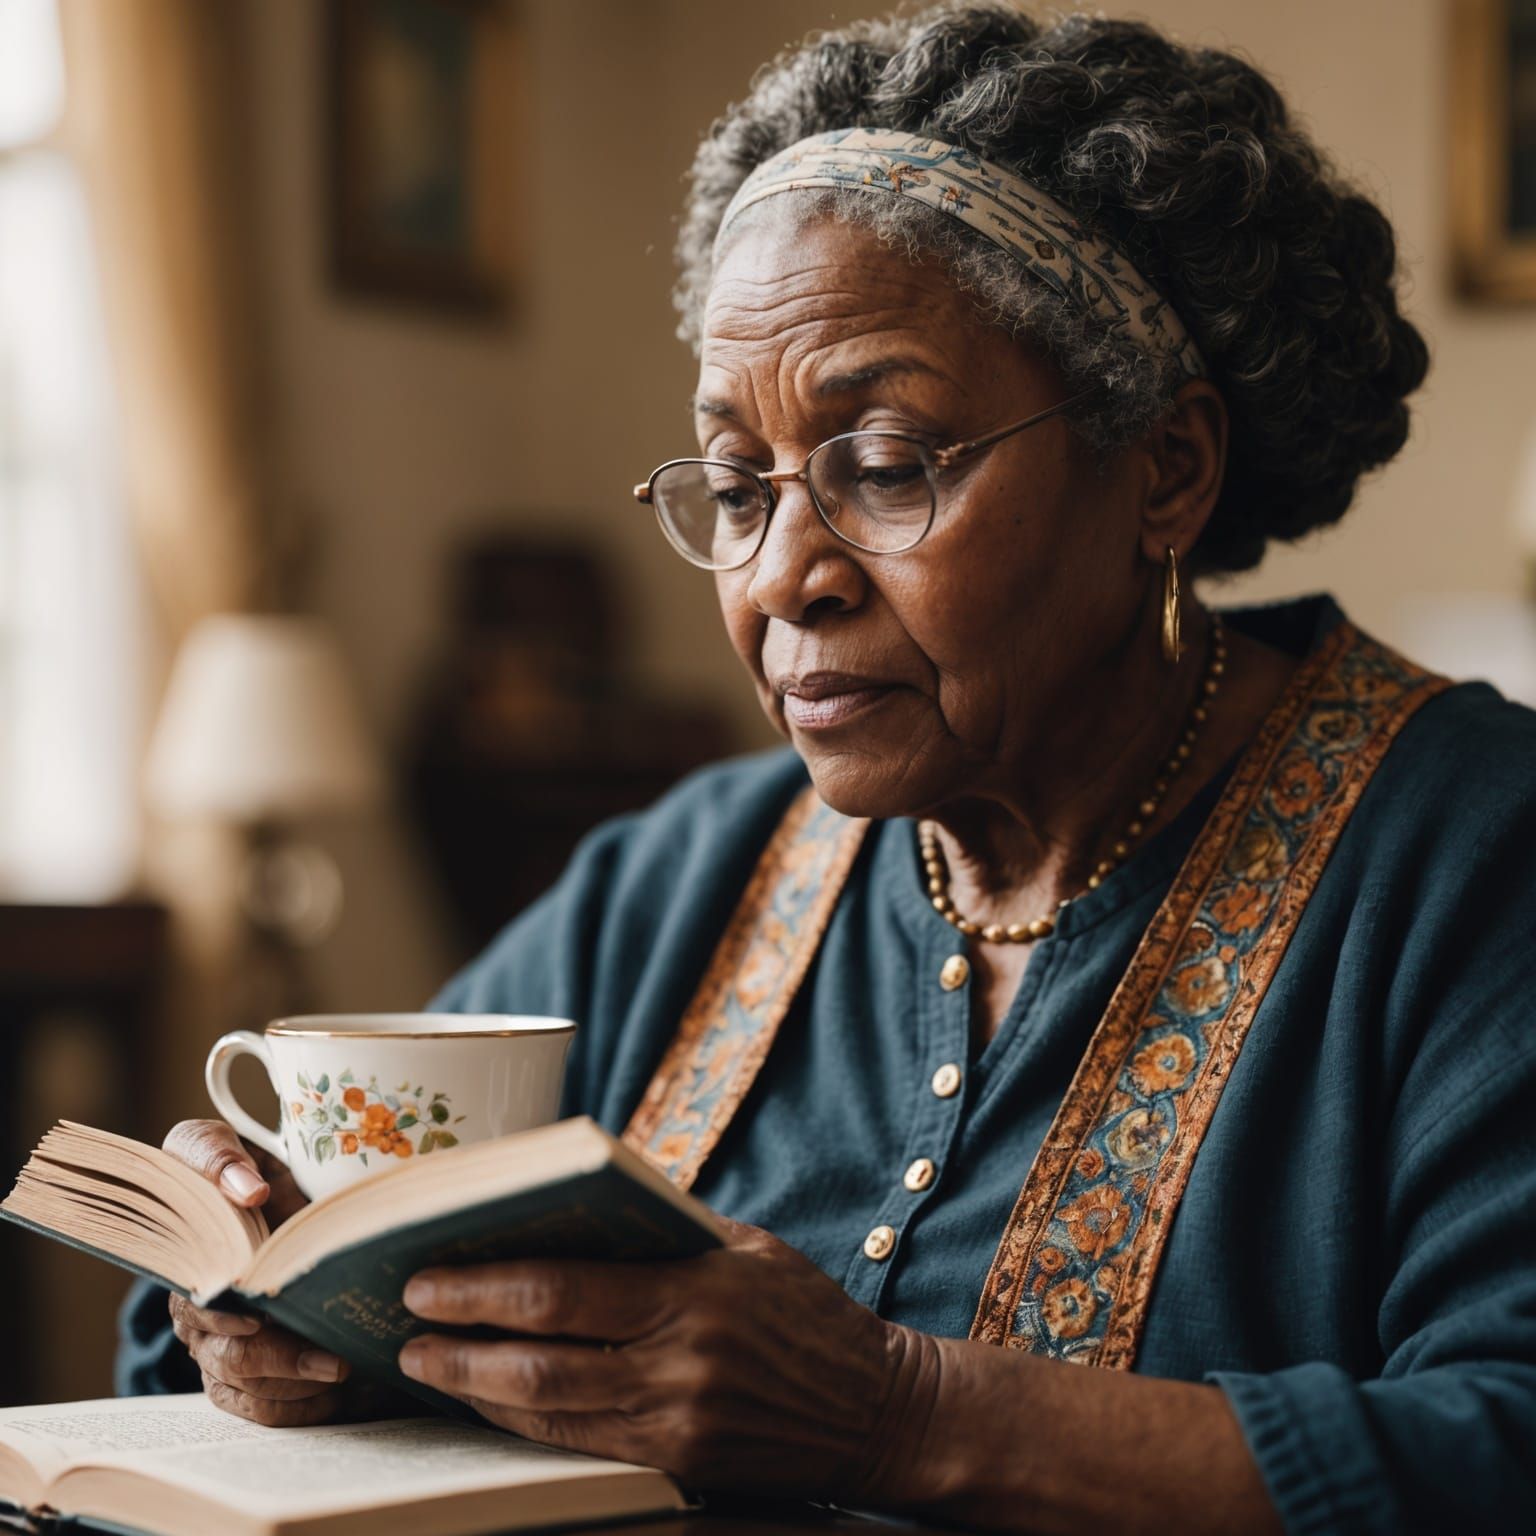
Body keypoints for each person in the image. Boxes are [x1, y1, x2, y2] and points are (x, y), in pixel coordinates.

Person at [119, 5, 1536, 1532]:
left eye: (888, 466)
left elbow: (1502, 1446)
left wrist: (891, 1414)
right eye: (739, 489)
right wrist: (278, 1301)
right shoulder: (685, 874)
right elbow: (281, 1292)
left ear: (1167, 471)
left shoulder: (1473, 850)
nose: (783, 577)